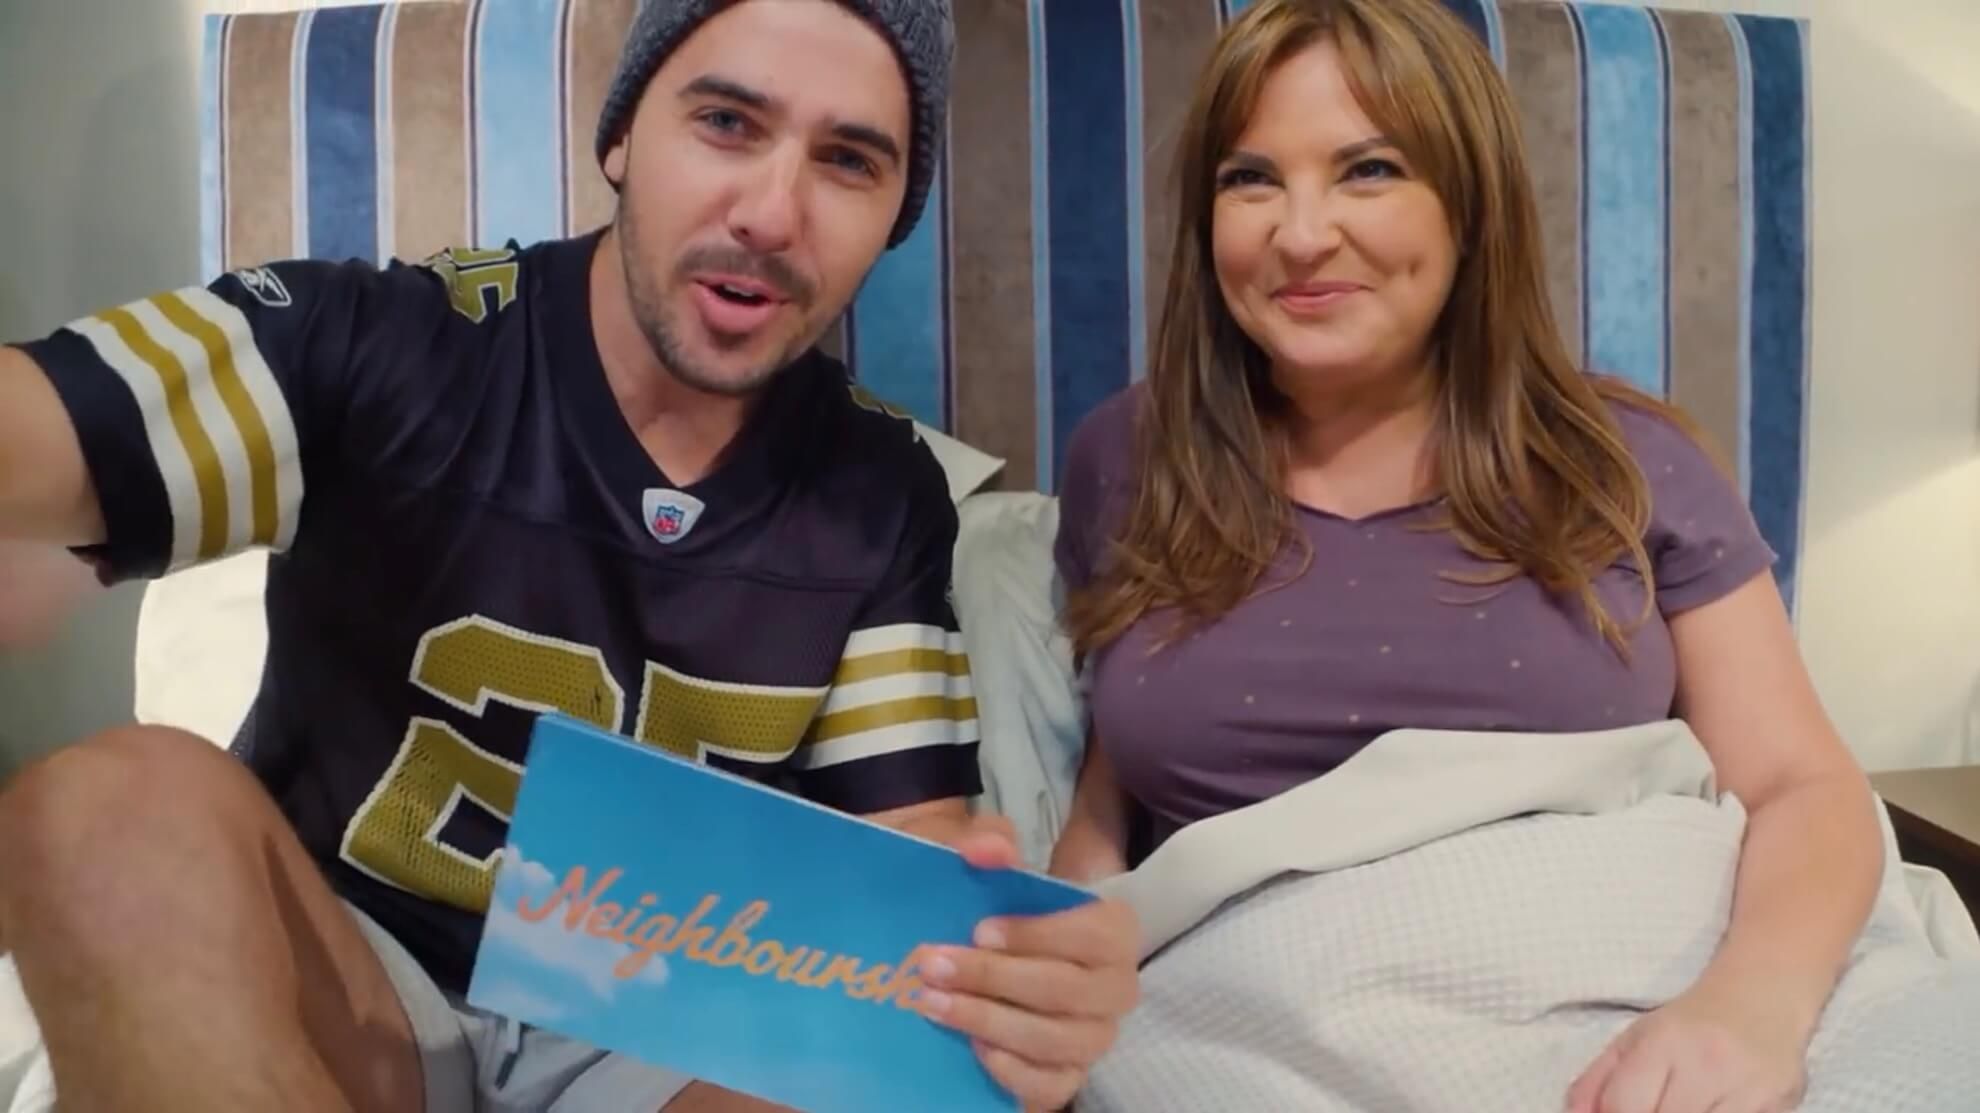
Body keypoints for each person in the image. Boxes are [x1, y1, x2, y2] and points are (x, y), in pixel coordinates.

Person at [0, 1, 1138, 1111]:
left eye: (848, 161)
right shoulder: (386, 349)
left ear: (895, 215)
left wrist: (1005, 997)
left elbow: (909, 865)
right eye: (727, 123)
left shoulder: (879, 496)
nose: (771, 214)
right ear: (622, 133)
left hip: (664, 1028)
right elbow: (34, 427)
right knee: (102, 809)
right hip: (358, 981)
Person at [1045, 1, 1881, 1111]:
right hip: (1256, 1028)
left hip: (1652, 998)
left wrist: (1751, 1010)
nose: (1301, 234)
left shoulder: (1625, 459)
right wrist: (1048, 995)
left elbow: (1803, 786)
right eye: (1251, 179)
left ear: (1470, 203)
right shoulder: (1129, 456)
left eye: (1369, 169)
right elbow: (1111, 799)